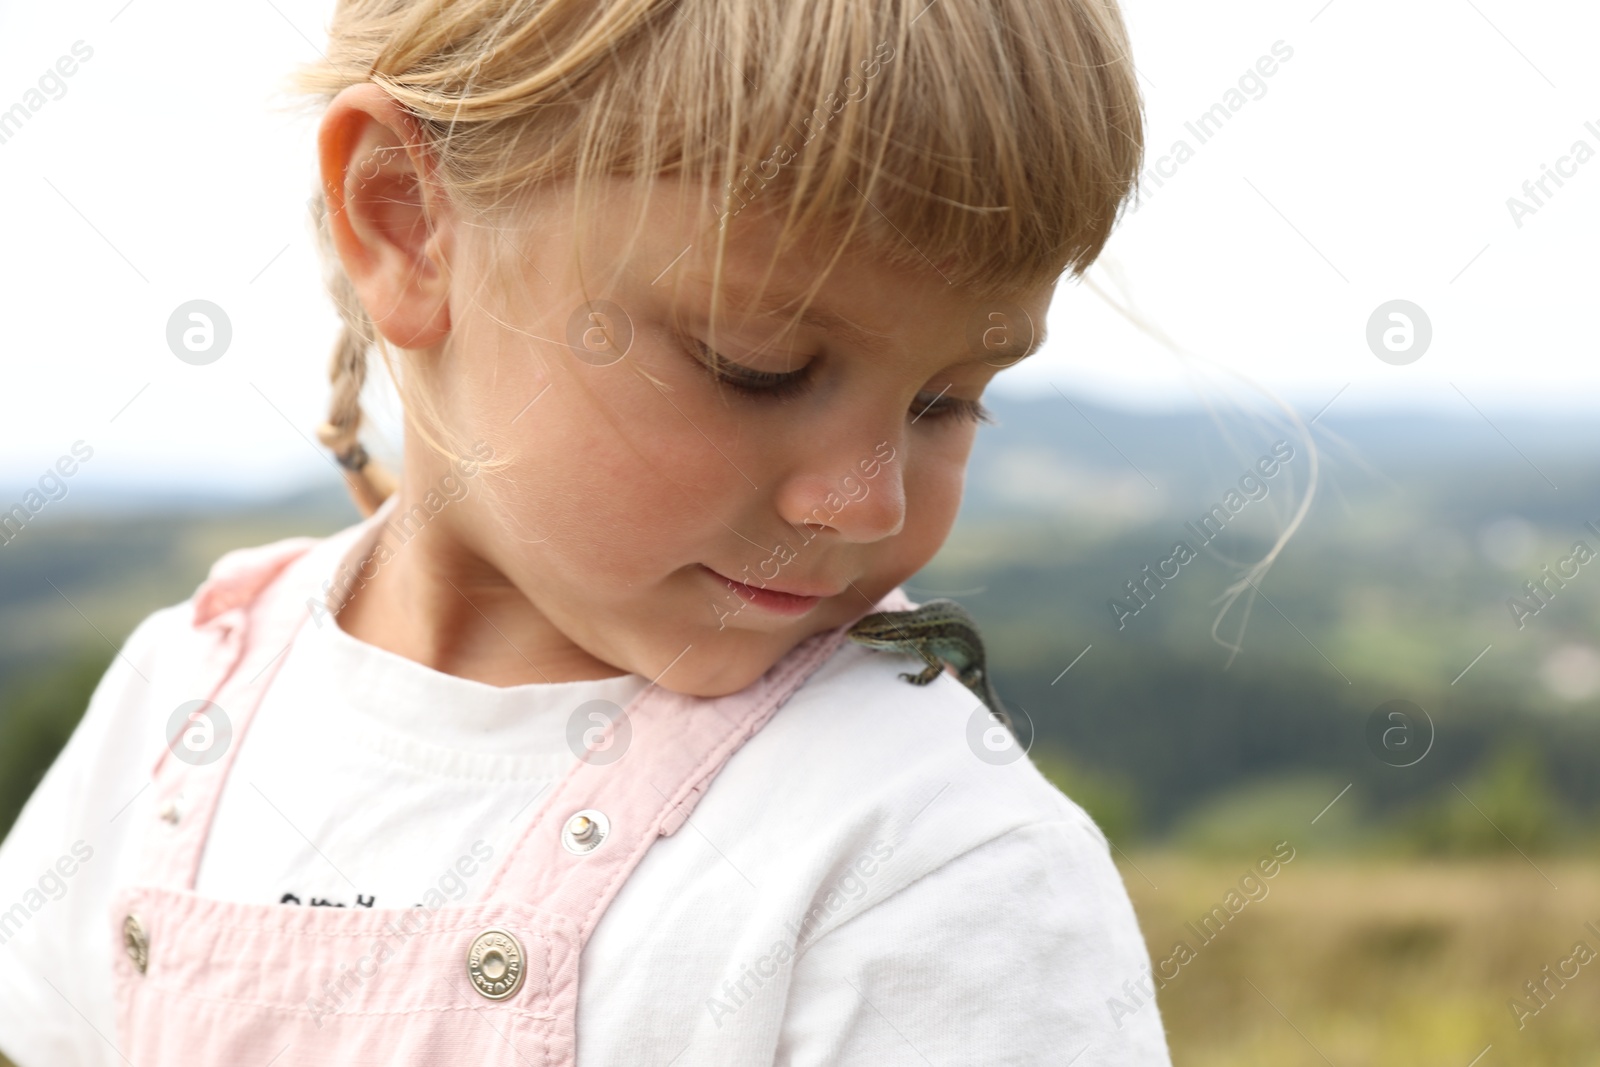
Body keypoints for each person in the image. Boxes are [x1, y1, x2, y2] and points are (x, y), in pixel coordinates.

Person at [0, 0, 1171, 1062]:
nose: (868, 503)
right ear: (406, 223)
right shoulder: (181, 701)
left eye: (943, 402)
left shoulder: (930, 863)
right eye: (754, 367)